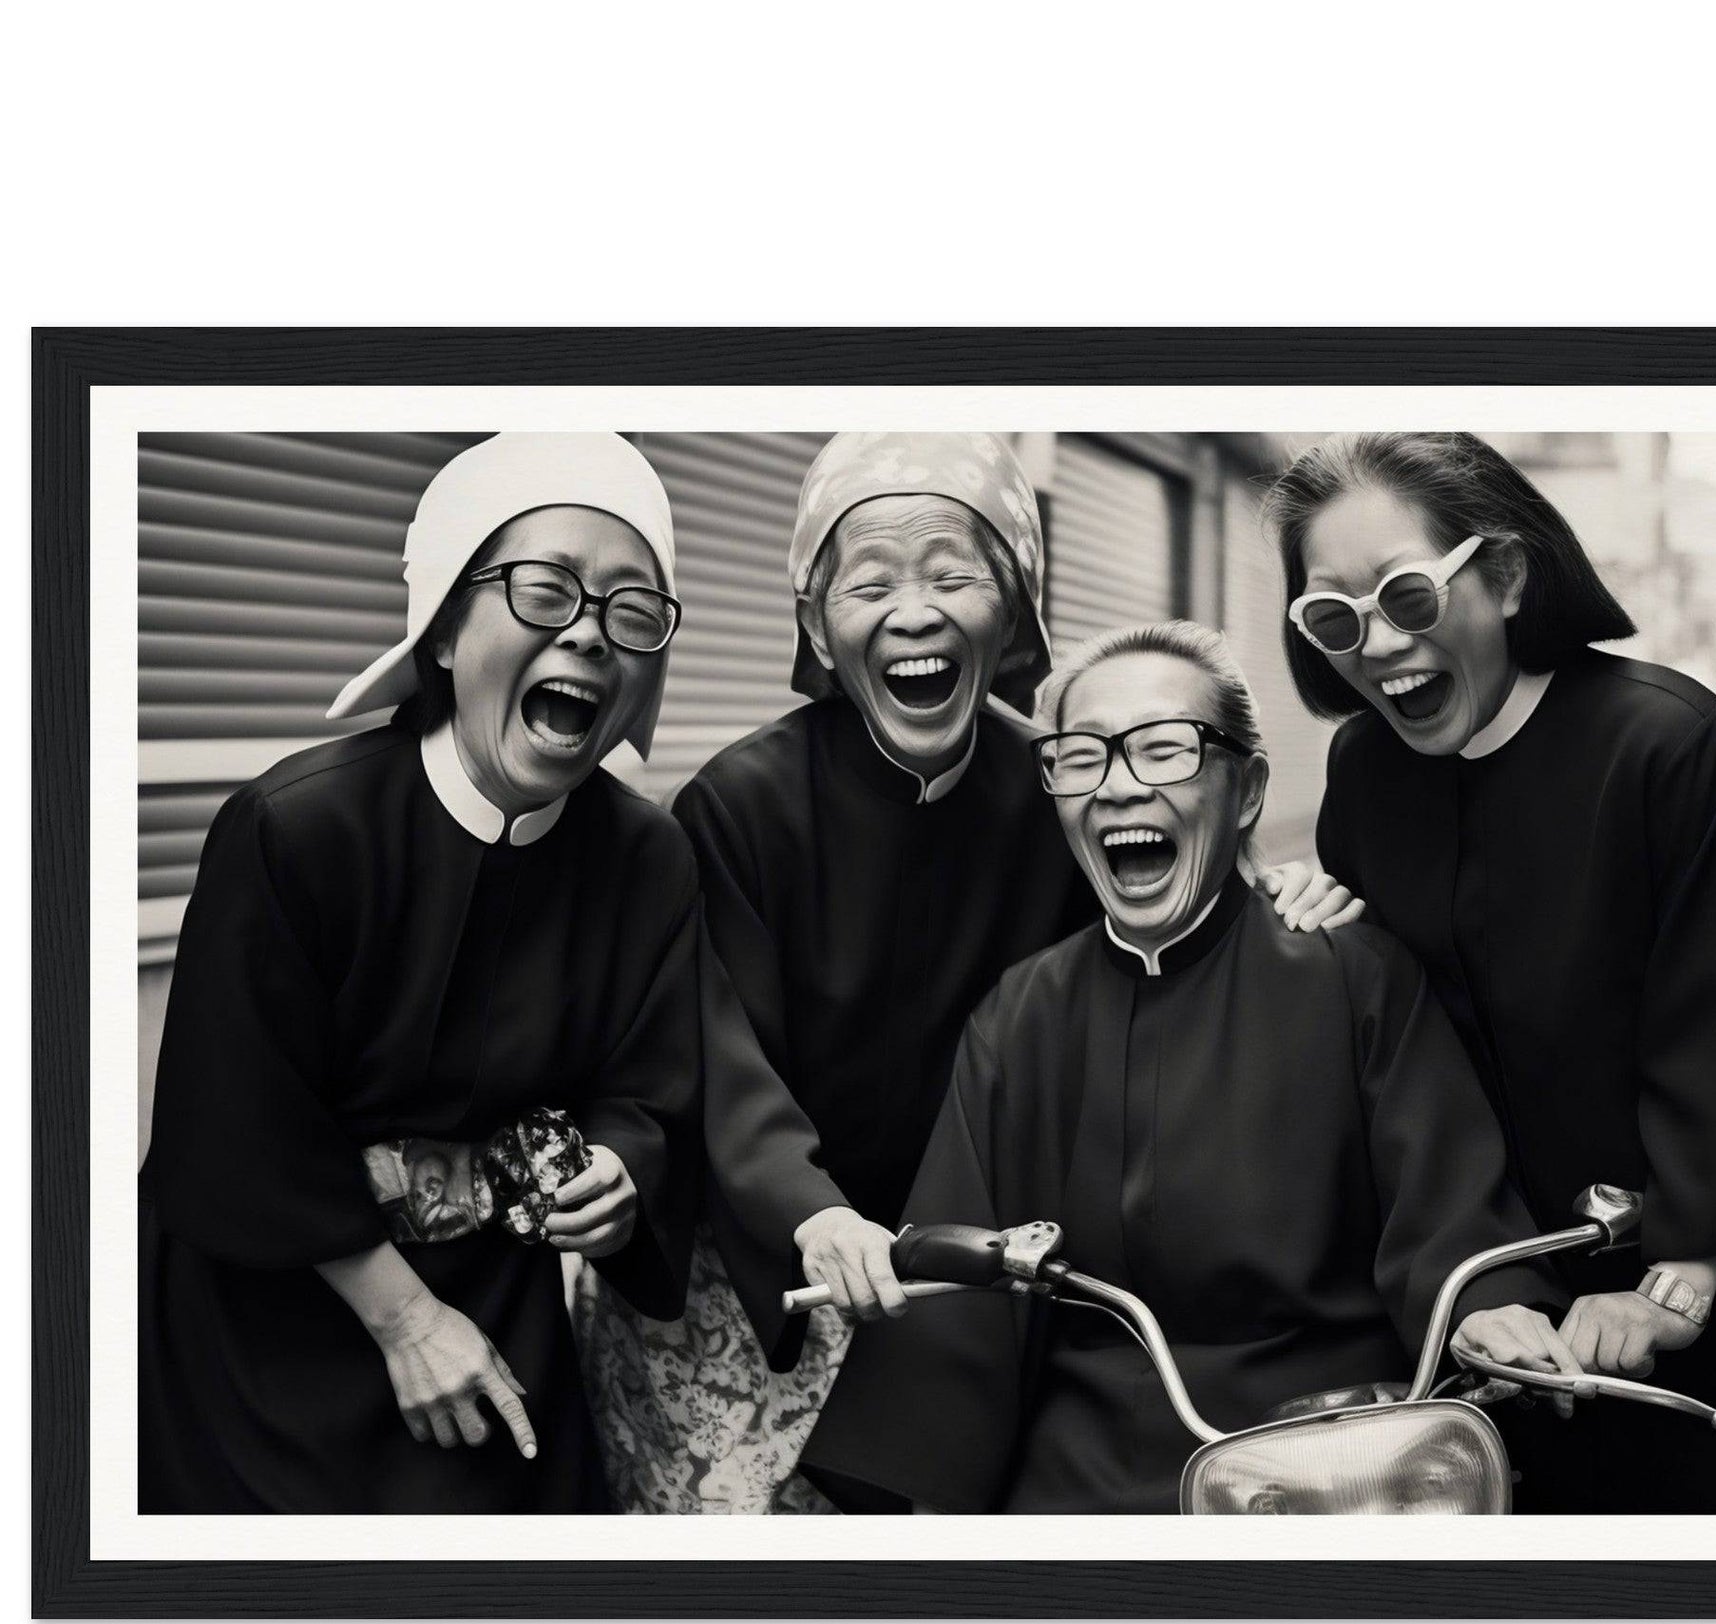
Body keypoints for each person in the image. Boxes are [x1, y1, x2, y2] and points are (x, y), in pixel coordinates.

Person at [575, 432, 1353, 1514]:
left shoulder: (1059, 779)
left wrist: (1273, 892)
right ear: (814, 621)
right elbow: (717, 1049)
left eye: (953, 572)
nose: (914, 611)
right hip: (777, 1265)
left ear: (1017, 606)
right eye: (870, 581)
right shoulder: (739, 803)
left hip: (980, 1263)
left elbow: (1175, 902)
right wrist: (811, 1210)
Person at [799, 623, 1570, 1514]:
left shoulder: (1353, 976)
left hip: (1328, 1460)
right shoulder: (1022, 1016)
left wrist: (1487, 1308)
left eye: (1164, 751)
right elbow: (958, 1288)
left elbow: (1449, 1215)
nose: (1121, 786)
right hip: (1079, 1479)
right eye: (1081, 758)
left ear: (1245, 791)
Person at [139, 433, 701, 1513]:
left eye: (632, 610)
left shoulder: (646, 858)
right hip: (270, 1326)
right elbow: (235, 1119)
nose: (588, 630)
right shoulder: (294, 828)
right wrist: (402, 1318)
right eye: (546, 590)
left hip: (496, 1308)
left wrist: (622, 1170)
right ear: (445, 628)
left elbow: (653, 1081)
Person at [1265, 431, 1716, 1514]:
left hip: (1696, 1280)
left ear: (1504, 575)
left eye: (1405, 597)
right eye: (1333, 616)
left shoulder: (1663, 741)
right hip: (1479, 1292)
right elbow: (1390, 1024)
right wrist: (1324, 915)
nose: (1374, 646)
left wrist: (1679, 1277)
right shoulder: (1363, 767)